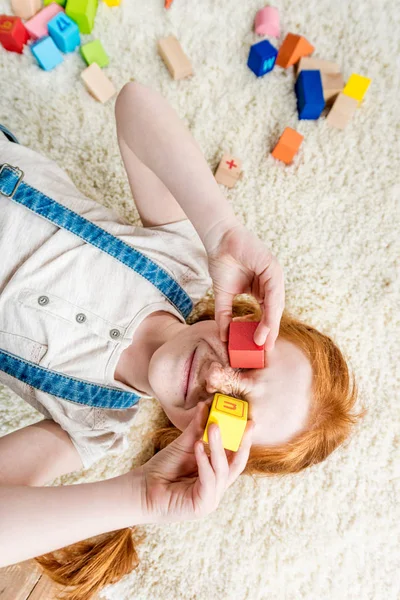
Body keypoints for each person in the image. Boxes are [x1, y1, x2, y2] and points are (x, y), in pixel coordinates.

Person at [0, 83, 362, 599]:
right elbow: (134, 104)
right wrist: (222, 229)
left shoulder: (91, 428)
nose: (217, 378)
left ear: (210, 448)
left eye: (231, 412)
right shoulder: (184, 260)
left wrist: (141, 497)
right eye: (248, 363)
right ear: (244, 318)